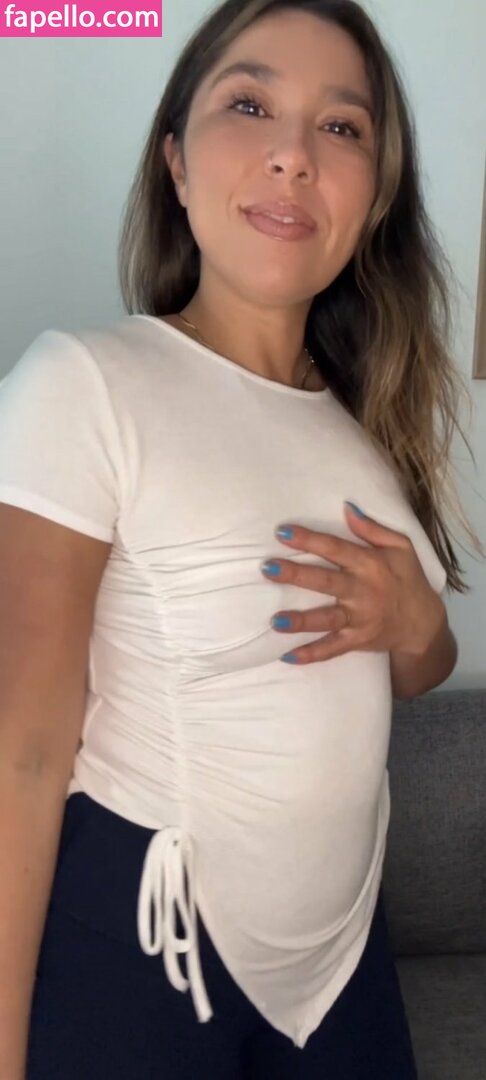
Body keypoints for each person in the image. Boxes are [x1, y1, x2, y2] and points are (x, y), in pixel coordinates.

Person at [0, 0, 479, 1076]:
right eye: (250, 105)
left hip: (342, 956)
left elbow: (413, 666)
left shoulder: (370, 423)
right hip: (148, 939)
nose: (293, 155)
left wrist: (418, 625)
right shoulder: (84, 384)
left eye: (342, 127)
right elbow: (19, 752)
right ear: (175, 159)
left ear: (375, 195)